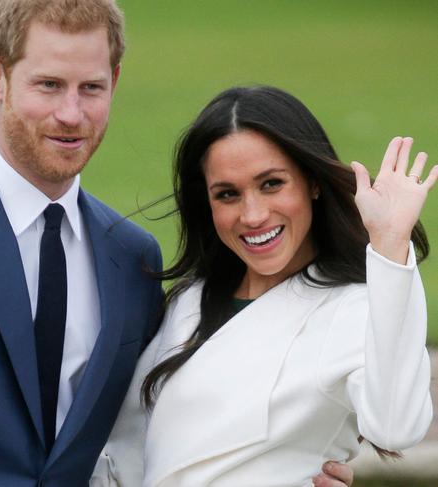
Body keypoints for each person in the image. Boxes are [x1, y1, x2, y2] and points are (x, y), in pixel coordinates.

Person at [0, 2, 355, 485]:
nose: (71, 114)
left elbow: (159, 419)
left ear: (115, 82)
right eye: (49, 85)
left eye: (92, 88)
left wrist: (288, 465)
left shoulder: (131, 256)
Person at [91, 86, 436, 487]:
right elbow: (127, 451)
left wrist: (390, 245)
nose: (253, 214)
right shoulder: (190, 298)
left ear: (313, 182)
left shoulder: (354, 308)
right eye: (227, 194)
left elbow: (397, 427)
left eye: (271, 184)